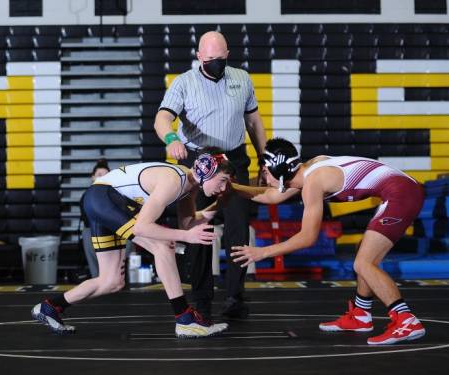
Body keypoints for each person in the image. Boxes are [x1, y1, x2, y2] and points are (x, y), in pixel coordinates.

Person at [230, 138, 426, 345]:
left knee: (363, 263)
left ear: (279, 170)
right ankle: (361, 315)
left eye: (265, 170)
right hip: (401, 190)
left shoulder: (313, 182)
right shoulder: (306, 172)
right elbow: (271, 196)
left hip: (401, 194)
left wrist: (263, 252)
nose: (262, 175)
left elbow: (307, 238)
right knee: (365, 254)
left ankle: (406, 320)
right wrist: (232, 188)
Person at [32, 148, 234, 338]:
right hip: (105, 198)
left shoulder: (189, 187)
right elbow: (142, 228)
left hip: (102, 201)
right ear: (206, 170)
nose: (223, 187)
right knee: (162, 245)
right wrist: (186, 237)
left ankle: (50, 307)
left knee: (111, 281)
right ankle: (185, 319)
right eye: (223, 180)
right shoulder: (174, 181)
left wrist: (221, 204)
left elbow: (187, 223)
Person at [154, 30, 267, 320]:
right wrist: (171, 140)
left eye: (220, 58)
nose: (216, 62)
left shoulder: (242, 78)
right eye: (210, 59)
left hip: (236, 158)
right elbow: (162, 118)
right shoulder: (184, 83)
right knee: (198, 230)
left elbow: (253, 122)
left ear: (227, 55)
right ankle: (201, 299)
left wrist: (265, 160)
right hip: (201, 161)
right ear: (199, 57)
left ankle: (234, 297)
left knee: (239, 230)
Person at [80, 159, 110, 278]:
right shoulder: (87, 195)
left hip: (112, 232)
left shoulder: (117, 194)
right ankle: (96, 279)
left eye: (106, 175)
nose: (103, 178)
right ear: (93, 177)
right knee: (96, 273)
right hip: (91, 232)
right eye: (99, 175)